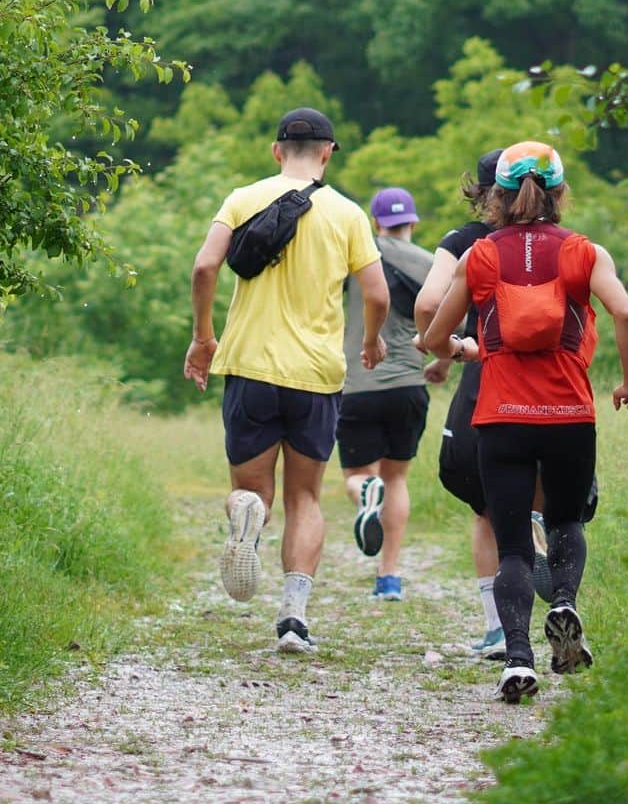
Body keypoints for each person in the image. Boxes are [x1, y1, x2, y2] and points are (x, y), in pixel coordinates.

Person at [423, 140, 628, 703]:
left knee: (516, 548)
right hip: (570, 414)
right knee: (567, 523)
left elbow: (431, 336)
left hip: (500, 418)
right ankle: (566, 603)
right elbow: (627, 314)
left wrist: (464, 349)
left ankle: (517, 660)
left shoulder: (481, 256)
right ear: (559, 192)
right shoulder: (585, 253)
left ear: (497, 196)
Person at [183, 107, 389, 654]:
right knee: (305, 497)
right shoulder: (347, 214)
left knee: (252, 490)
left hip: (249, 365)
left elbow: (205, 268)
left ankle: (246, 514)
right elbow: (377, 294)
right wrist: (370, 340)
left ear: (277, 151)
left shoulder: (241, 198)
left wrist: (204, 337)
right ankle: (294, 615)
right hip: (316, 374)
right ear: (328, 152)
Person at [414, 151, 556, 659]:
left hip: (488, 378)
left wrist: (447, 347)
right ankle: (549, 566)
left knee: (485, 508)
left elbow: (429, 305)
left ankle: (499, 629)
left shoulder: (465, 242)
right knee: (542, 498)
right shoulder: (560, 242)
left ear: (484, 192)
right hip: (555, 387)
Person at [337, 187, 435, 601]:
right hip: (409, 385)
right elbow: (458, 320)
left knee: (358, 475)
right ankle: (389, 577)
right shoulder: (433, 264)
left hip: (358, 383)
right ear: (412, 221)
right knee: (396, 478)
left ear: (375, 223)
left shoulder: (360, 256)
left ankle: (364, 493)